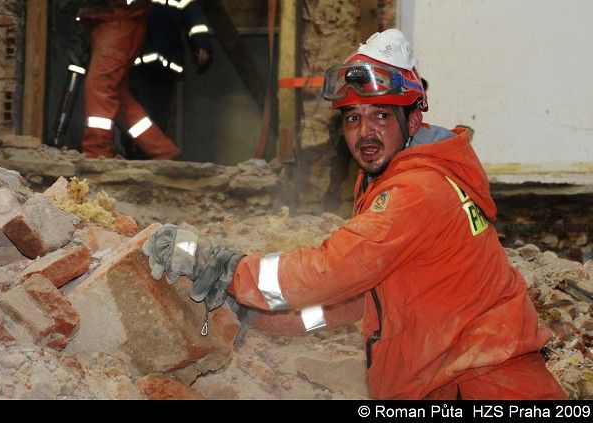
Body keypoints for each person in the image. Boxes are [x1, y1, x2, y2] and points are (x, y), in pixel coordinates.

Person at [141, 28, 567, 399]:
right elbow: (360, 299)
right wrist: (266, 317)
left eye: (382, 115)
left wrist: (224, 266)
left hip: (480, 388)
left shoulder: (417, 191)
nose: (365, 132)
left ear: (413, 119)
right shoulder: (405, 177)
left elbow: (332, 270)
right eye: (353, 119)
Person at [77, 0, 180, 160]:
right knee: (117, 95)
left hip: (119, 20)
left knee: (100, 87)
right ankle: (163, 150)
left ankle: (97, 152)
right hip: (111, 20)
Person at [121, 0, 212, 159]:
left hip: (165, 65)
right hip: (138, 64)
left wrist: (201, 44)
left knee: (158, 115)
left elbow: (194, 18)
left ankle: (149, 157)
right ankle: (135, 155)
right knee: (138, 113)